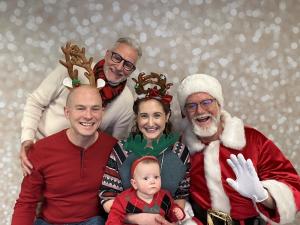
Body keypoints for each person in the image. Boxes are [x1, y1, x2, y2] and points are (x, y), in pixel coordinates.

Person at [177, 73, 300, 225]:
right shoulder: (180, 149)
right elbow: (168, 191)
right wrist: (186, 219)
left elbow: (293, 185)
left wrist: (263, 195)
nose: (200, 111)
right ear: (184, 113)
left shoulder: (253, 139)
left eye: (206, 102)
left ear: (219, 104)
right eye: (191, 106)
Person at [20, 37, 142, 175]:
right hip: (41, 150)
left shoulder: (126, 102)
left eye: (128, 65)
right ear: (107, 54)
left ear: (132, 70)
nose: (119, 67)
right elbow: (35, 102)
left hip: (77, 165)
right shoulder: (70, 69)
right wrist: (27, 139)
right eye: (117, 57)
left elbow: (114, 146)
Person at [11, 85, 117, 225]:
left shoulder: (115, 148)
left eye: (95, 109)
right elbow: (26, 203)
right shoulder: (41, 150)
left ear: (102, 112)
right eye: (80, 108)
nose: (88, 115)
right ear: (67, 112)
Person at [100, 72, 196, 225]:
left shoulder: (180, 152)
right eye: (144, 116)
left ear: (167, 116)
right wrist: (136, 219)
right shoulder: (122, 149)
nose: (150, 123)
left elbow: (180, 195)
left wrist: (169, 220)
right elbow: (107, 196)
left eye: (157, 115)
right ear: (137, 118)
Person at [106, 156, 186, 225]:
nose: (152, 181)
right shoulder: (124, 199)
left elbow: (171, 213)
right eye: (146, 178)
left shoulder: (165, 196)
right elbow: (114, 216)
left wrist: (177, 212)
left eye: (156, 177)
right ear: (135, 183)